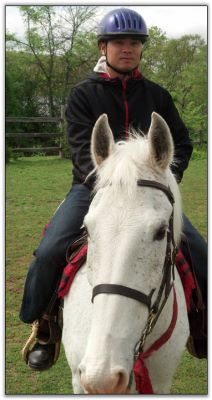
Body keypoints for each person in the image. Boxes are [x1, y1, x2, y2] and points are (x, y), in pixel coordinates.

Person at [19, 8, 207, 371]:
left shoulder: (157, 95)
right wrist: (113, 183)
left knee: (199, 250)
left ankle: (201, 327)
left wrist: (161, 181)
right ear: (103, 48)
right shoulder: (82, 95)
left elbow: (180, 144)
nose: (127, 48)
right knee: (51, 250)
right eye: (119, 42)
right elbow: (80, 149)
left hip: (149, 192)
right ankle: (44, 326)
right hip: (92, 190)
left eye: (134, 42)